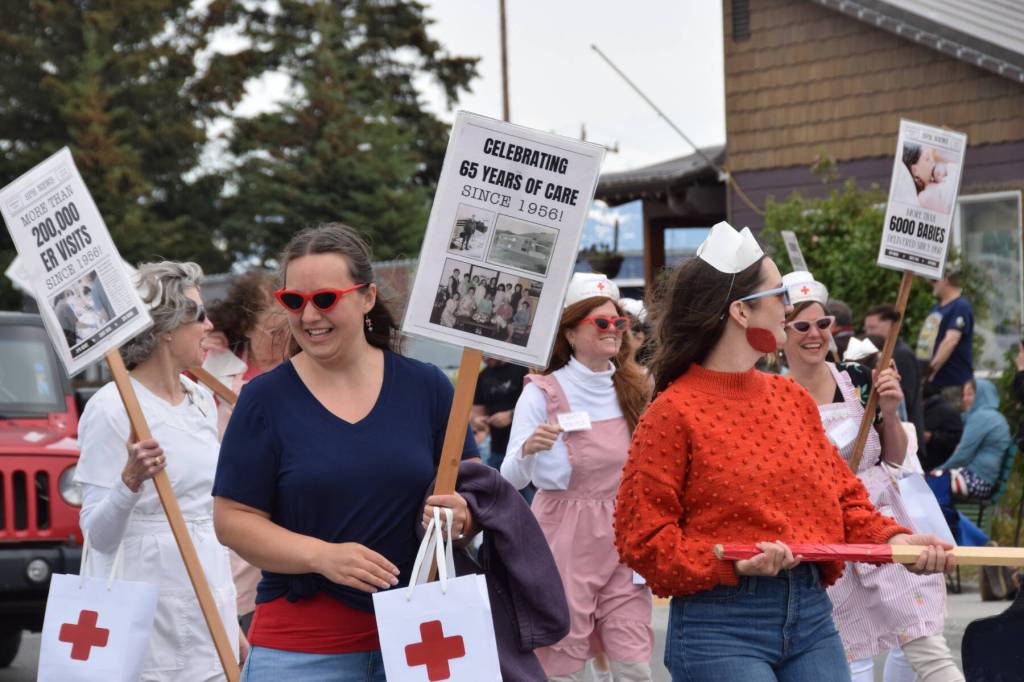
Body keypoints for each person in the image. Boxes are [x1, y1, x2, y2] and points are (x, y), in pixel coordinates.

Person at [613, 222, 954, 682]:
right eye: (779, 295)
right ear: (740, 311)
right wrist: (728, 560)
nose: (789, 309)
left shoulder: (791, 399)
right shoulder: (672, 412)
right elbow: (643, 538)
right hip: (719, 626)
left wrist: (895, 540)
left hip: (812, 615)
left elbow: (844, 498)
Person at [212, 224, 478, 681]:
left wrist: (462, 517)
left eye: (326, 299)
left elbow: (473, 495)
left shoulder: (427, 386)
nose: (310, 315)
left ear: (368, 297)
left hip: (422, 642)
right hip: (302, 652)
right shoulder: (264, 400)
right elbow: (232, 519)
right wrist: (321, 556)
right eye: (294, 301)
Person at [781, 271, 959, 682]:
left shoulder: (859, 381)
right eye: (802, 326)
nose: (814, 334)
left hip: (882, 521)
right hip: (826, 535)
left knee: (925, 642)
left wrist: (893, 412)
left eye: (823, 324)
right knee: (843, 656)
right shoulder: (775, 395)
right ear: (783, 332)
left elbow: (894, 458)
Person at [75, 261, 241, 680]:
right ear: (166, 328)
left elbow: (204, 514)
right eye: (198, 315)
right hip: (147, 618)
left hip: (210, 600)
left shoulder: (201, 399)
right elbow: (97, 536)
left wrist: (232, 624)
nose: (209, 325)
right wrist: (129, 482)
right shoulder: (112, 407)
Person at [502, 273, 654, 682]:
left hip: (623, 530)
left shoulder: (636, 387)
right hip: (564, 535)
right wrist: (529, 450)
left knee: (633, 655)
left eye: (619, 323)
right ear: (571, 332)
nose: (614, 331)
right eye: (601, 323)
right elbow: (509, 478)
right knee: (562, 654)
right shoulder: (542, 392)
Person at [204, 271, 291, 634]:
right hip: (226, 500)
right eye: (272, 332)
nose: (280, 341)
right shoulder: (214, 365)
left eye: (286, 331)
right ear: (247, 326)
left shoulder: (301, 370)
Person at [865, 303, 927, 460]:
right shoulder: (889, 353)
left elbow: (905, 396)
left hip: (906, 436)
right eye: (867, 329)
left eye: (873, 328)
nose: (868, 334)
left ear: (891, 326)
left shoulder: (901, 355)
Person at [935, 377, 1011, 500]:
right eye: (964, 394)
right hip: (983, 481)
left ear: (983, 394)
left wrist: (938, 470)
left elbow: (963, 455)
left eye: (970, 394)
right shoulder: (994, 417)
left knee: (930, 483)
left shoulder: (982, 417)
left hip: (976, 480)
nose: (964, 399)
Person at [916, 268, 973, 393]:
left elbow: (950, 342)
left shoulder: (960, 306)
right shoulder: (936, 308)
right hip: (932, 381)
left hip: (950, 382)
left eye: (934, 280)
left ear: (945, 280)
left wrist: (930, 371)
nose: (931, 284)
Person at [472, 357, 529, 471]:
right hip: (496, 449)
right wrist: (478, 421)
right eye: (482, 355)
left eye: (487, 353)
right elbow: (477, 411)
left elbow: (538, 405)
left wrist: (511, 415)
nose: (484, 358)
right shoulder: (483, 375)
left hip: (523, 447)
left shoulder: (523, 369)